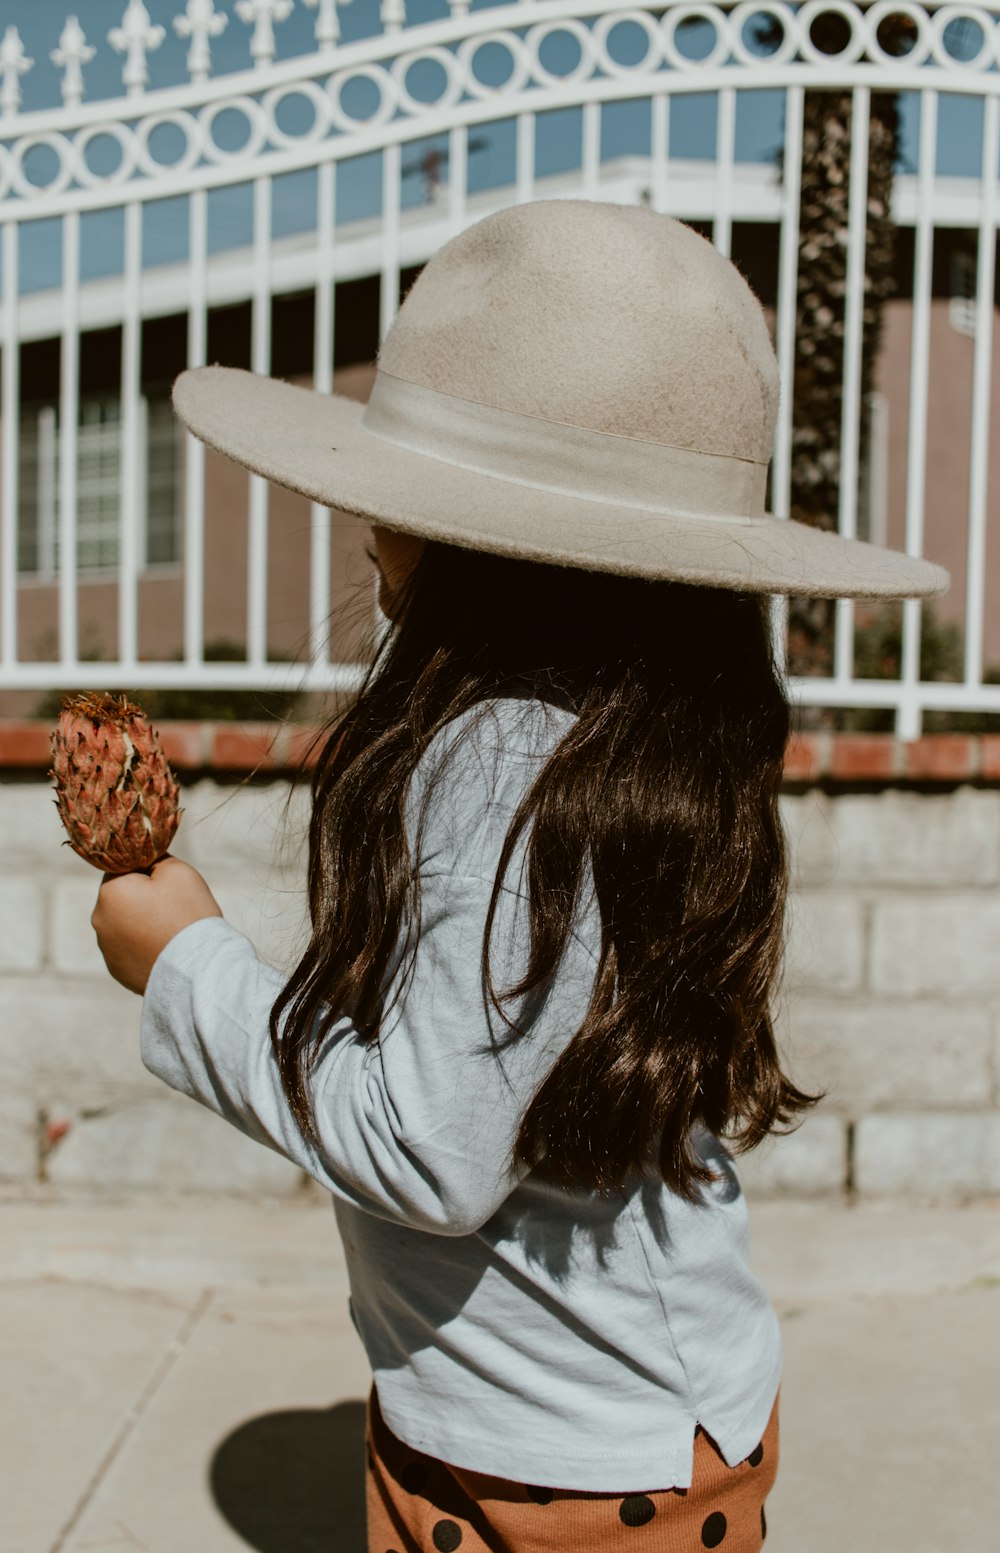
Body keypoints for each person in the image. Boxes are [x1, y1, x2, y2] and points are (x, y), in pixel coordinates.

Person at [91, 201, 947, 1552]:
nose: (369, 524)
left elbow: (428, 1151)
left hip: (563, 1484)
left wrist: (184, 959)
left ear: (480, 537)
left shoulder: (501, 758)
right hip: (587, 1432)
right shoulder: (630, 731)